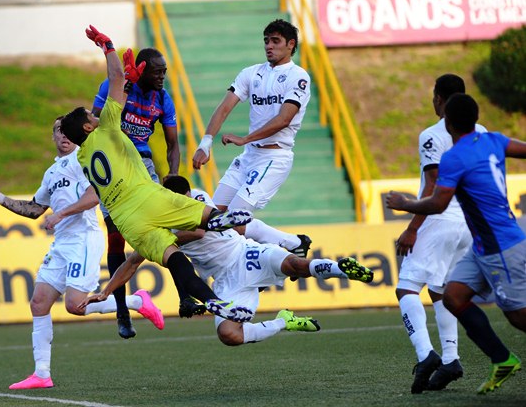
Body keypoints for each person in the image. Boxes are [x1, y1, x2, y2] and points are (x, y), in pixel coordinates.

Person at [59, 25, 255, 324]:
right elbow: (114, 78)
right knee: (202, 217)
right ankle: (220, 221)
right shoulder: (108, 127)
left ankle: (216, 303)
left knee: (176, 262)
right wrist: (107, 45)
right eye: (90, 116)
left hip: (128, 220)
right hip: (146, 196)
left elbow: (119, 89)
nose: (95, 115)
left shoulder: (83, 157)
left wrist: (107, 290)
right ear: (89, 127)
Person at [0, 117, 164, 390]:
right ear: (53, 137)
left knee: (75, 305)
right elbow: (34, 209)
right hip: (62, 243)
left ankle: (136, 302)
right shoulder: (51, 173)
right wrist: (0, 197)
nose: (63, 135)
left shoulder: (85, 158)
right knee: (39, 302)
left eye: (67, 130)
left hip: (84, 240)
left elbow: (96, 195)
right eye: (57, 130)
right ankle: (42, 374)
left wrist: (62, 213)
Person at [79, 175, 374, 346]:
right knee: (229, 335)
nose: (186, 202)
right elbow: (131, 262)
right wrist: (106, 291)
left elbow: (196, 231)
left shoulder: (198, 200)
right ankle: (283, 322)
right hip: (226, 281)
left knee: (294, 266)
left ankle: (341, 269)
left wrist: (167, 242)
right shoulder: (157, 223)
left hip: (246, 255)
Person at [386, 93, 526, 395]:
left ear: (447, 121)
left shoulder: (454, 157)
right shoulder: (494, 140)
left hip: (501, 246)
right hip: (481, 244)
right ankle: (502, 359)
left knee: (518, 316)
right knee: (453, 296)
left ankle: (486, 357)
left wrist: (404, 203)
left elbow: (438, 203)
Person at [394, 74, 487, 394]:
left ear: (440, 99)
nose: (432, 102)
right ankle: (450, 358)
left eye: (434, 96)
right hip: (469, 225)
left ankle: (425, 355)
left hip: (441, 220)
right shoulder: (482, 132)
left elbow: (433, 188)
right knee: (439, 291)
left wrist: (411, 228)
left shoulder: (432, 135)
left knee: (406, 288)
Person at [192, 18, 312, 257]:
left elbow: (284, 119)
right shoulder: (251, 73)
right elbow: (224, 107)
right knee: (213, 218)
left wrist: (245, 139)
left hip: (274, 157)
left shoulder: (298, 77)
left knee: (233, 222)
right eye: (266, 41)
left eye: (275, 41)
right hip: (249, 156)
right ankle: (291, 244)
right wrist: (206, 143)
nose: (269, 46)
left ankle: (277, 252)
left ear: (290, 45)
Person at [91, 48, 185, 339]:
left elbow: (172, 145)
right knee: (116, 234)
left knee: (163, 230)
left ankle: (186, 294)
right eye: (157, 71)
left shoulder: (163, 99)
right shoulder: (116, 88)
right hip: (113, 161)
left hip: (142, 164)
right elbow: (92, 124)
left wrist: (172, 173)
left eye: (165, 71)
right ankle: (121, 310)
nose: (162, 77)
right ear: (141, 70)